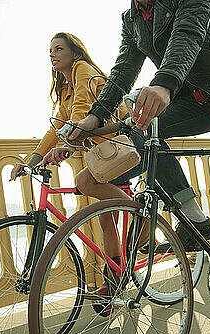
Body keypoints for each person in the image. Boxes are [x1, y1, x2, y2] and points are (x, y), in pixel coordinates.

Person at [69, 0, 210, 332]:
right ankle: (195, 219)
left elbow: (188, 33)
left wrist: (165, 82)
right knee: (142, 133)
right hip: (198, 101)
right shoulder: (132, 19)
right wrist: (96, 116)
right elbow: (123, 69)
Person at [10, 32, 130, 299]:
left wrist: (68, 144)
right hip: (104, 154)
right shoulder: (64, 88)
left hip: (125, 145)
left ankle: (140, 213)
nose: (52, 54)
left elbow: (82, 111)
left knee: (84, 183)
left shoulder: (83, 70)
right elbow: (56, 129)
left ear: (75, 53)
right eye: (50, 50)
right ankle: (114, 284)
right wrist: (31, 160)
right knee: (105, 218)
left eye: (58, 48)